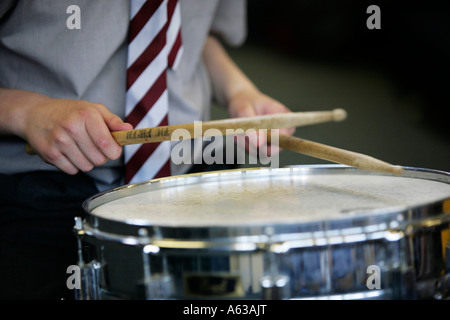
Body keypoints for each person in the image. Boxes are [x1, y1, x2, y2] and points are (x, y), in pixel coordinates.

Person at [0, 0, 293, 299]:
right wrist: (27, 111)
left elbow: (196, 33)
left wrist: (239, 92)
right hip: (44, 183)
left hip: (189, 166)